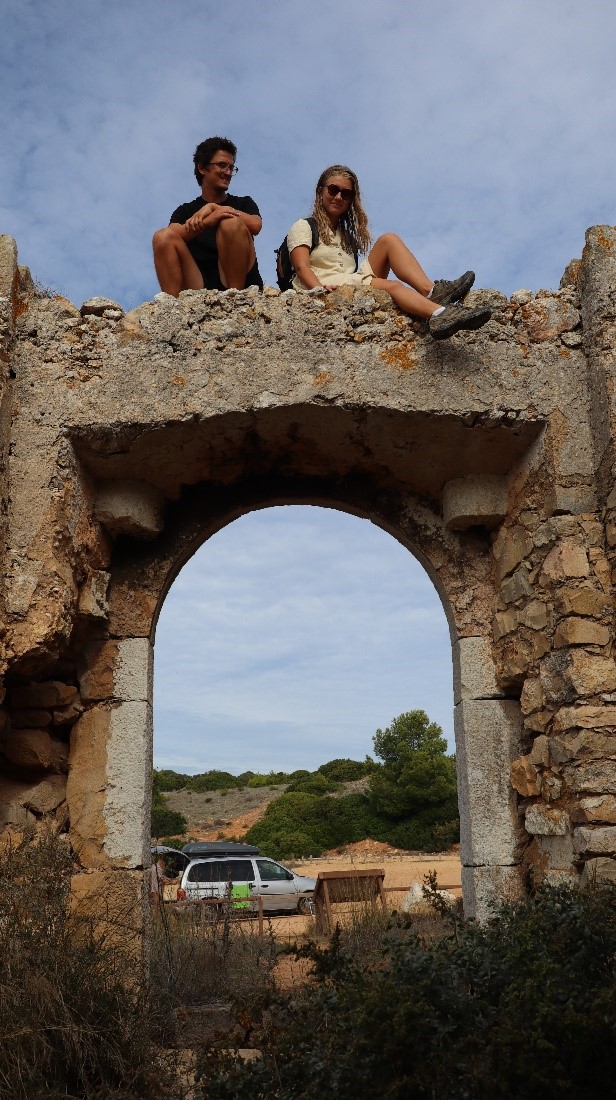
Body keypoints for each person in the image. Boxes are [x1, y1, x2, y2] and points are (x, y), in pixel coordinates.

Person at [286, 165, 491, 340]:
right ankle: (440, 314)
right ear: (320, 191)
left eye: (346, 194)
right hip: (326, 286)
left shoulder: (346, 237)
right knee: (393, 286)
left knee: (389, 240)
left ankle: (431, 292)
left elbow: (355, 274)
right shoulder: (304, 226)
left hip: (350, 281)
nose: (338, 197)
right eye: (333, 190)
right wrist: (319, 290)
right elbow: (302, 268)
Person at [152, 136, 263, 296]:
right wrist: (208, 221)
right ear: (202, 168)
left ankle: (236, 300)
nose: (228, 172)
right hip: (198, 285)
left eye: (231, 168)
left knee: (230, 224)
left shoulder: (243, 202)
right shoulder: (185, 210)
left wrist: (214, 208)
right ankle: (172, 304)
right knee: (161, 236)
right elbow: (168, 238)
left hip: (238, 283)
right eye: (222, 165)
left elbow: (255, 225)